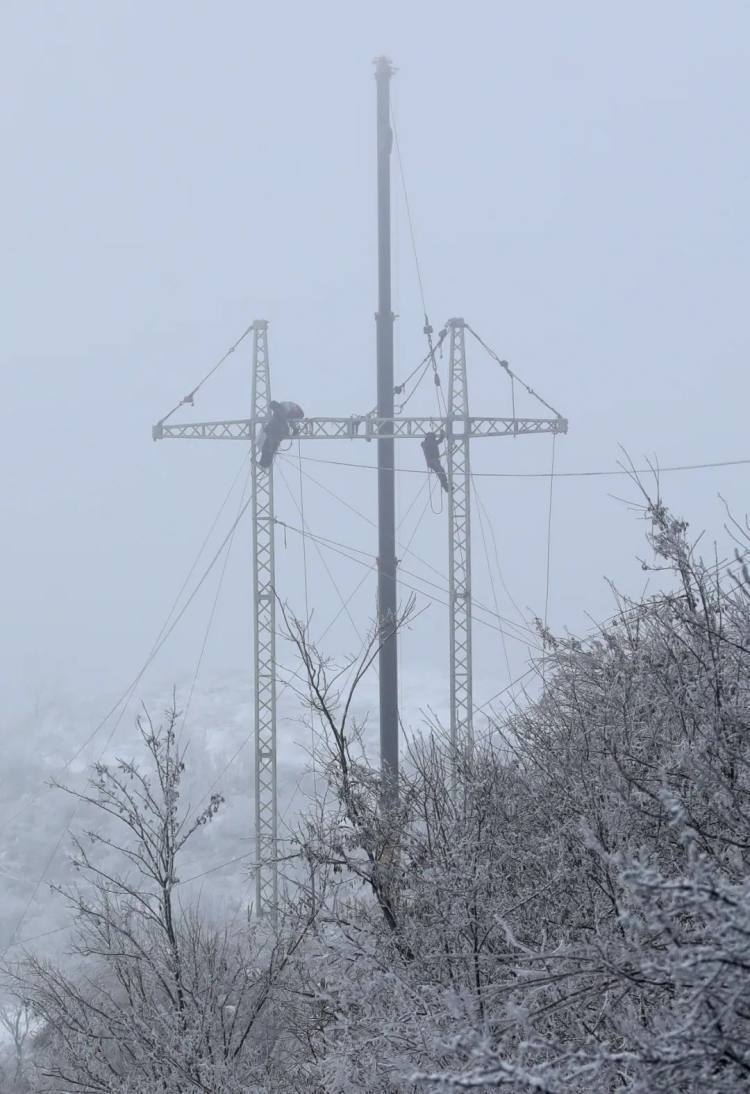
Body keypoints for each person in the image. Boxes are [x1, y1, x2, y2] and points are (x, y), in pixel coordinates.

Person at [259, 400, 301, 468]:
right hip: (277, 433)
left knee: (268, 448)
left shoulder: (280, 411)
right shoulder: (281, 411)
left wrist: (293, 429)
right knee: (269, 448)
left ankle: (264, 463)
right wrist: (294, 429)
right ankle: (265, 463)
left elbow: (285, 420)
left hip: (276, 432)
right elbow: (287, 420)